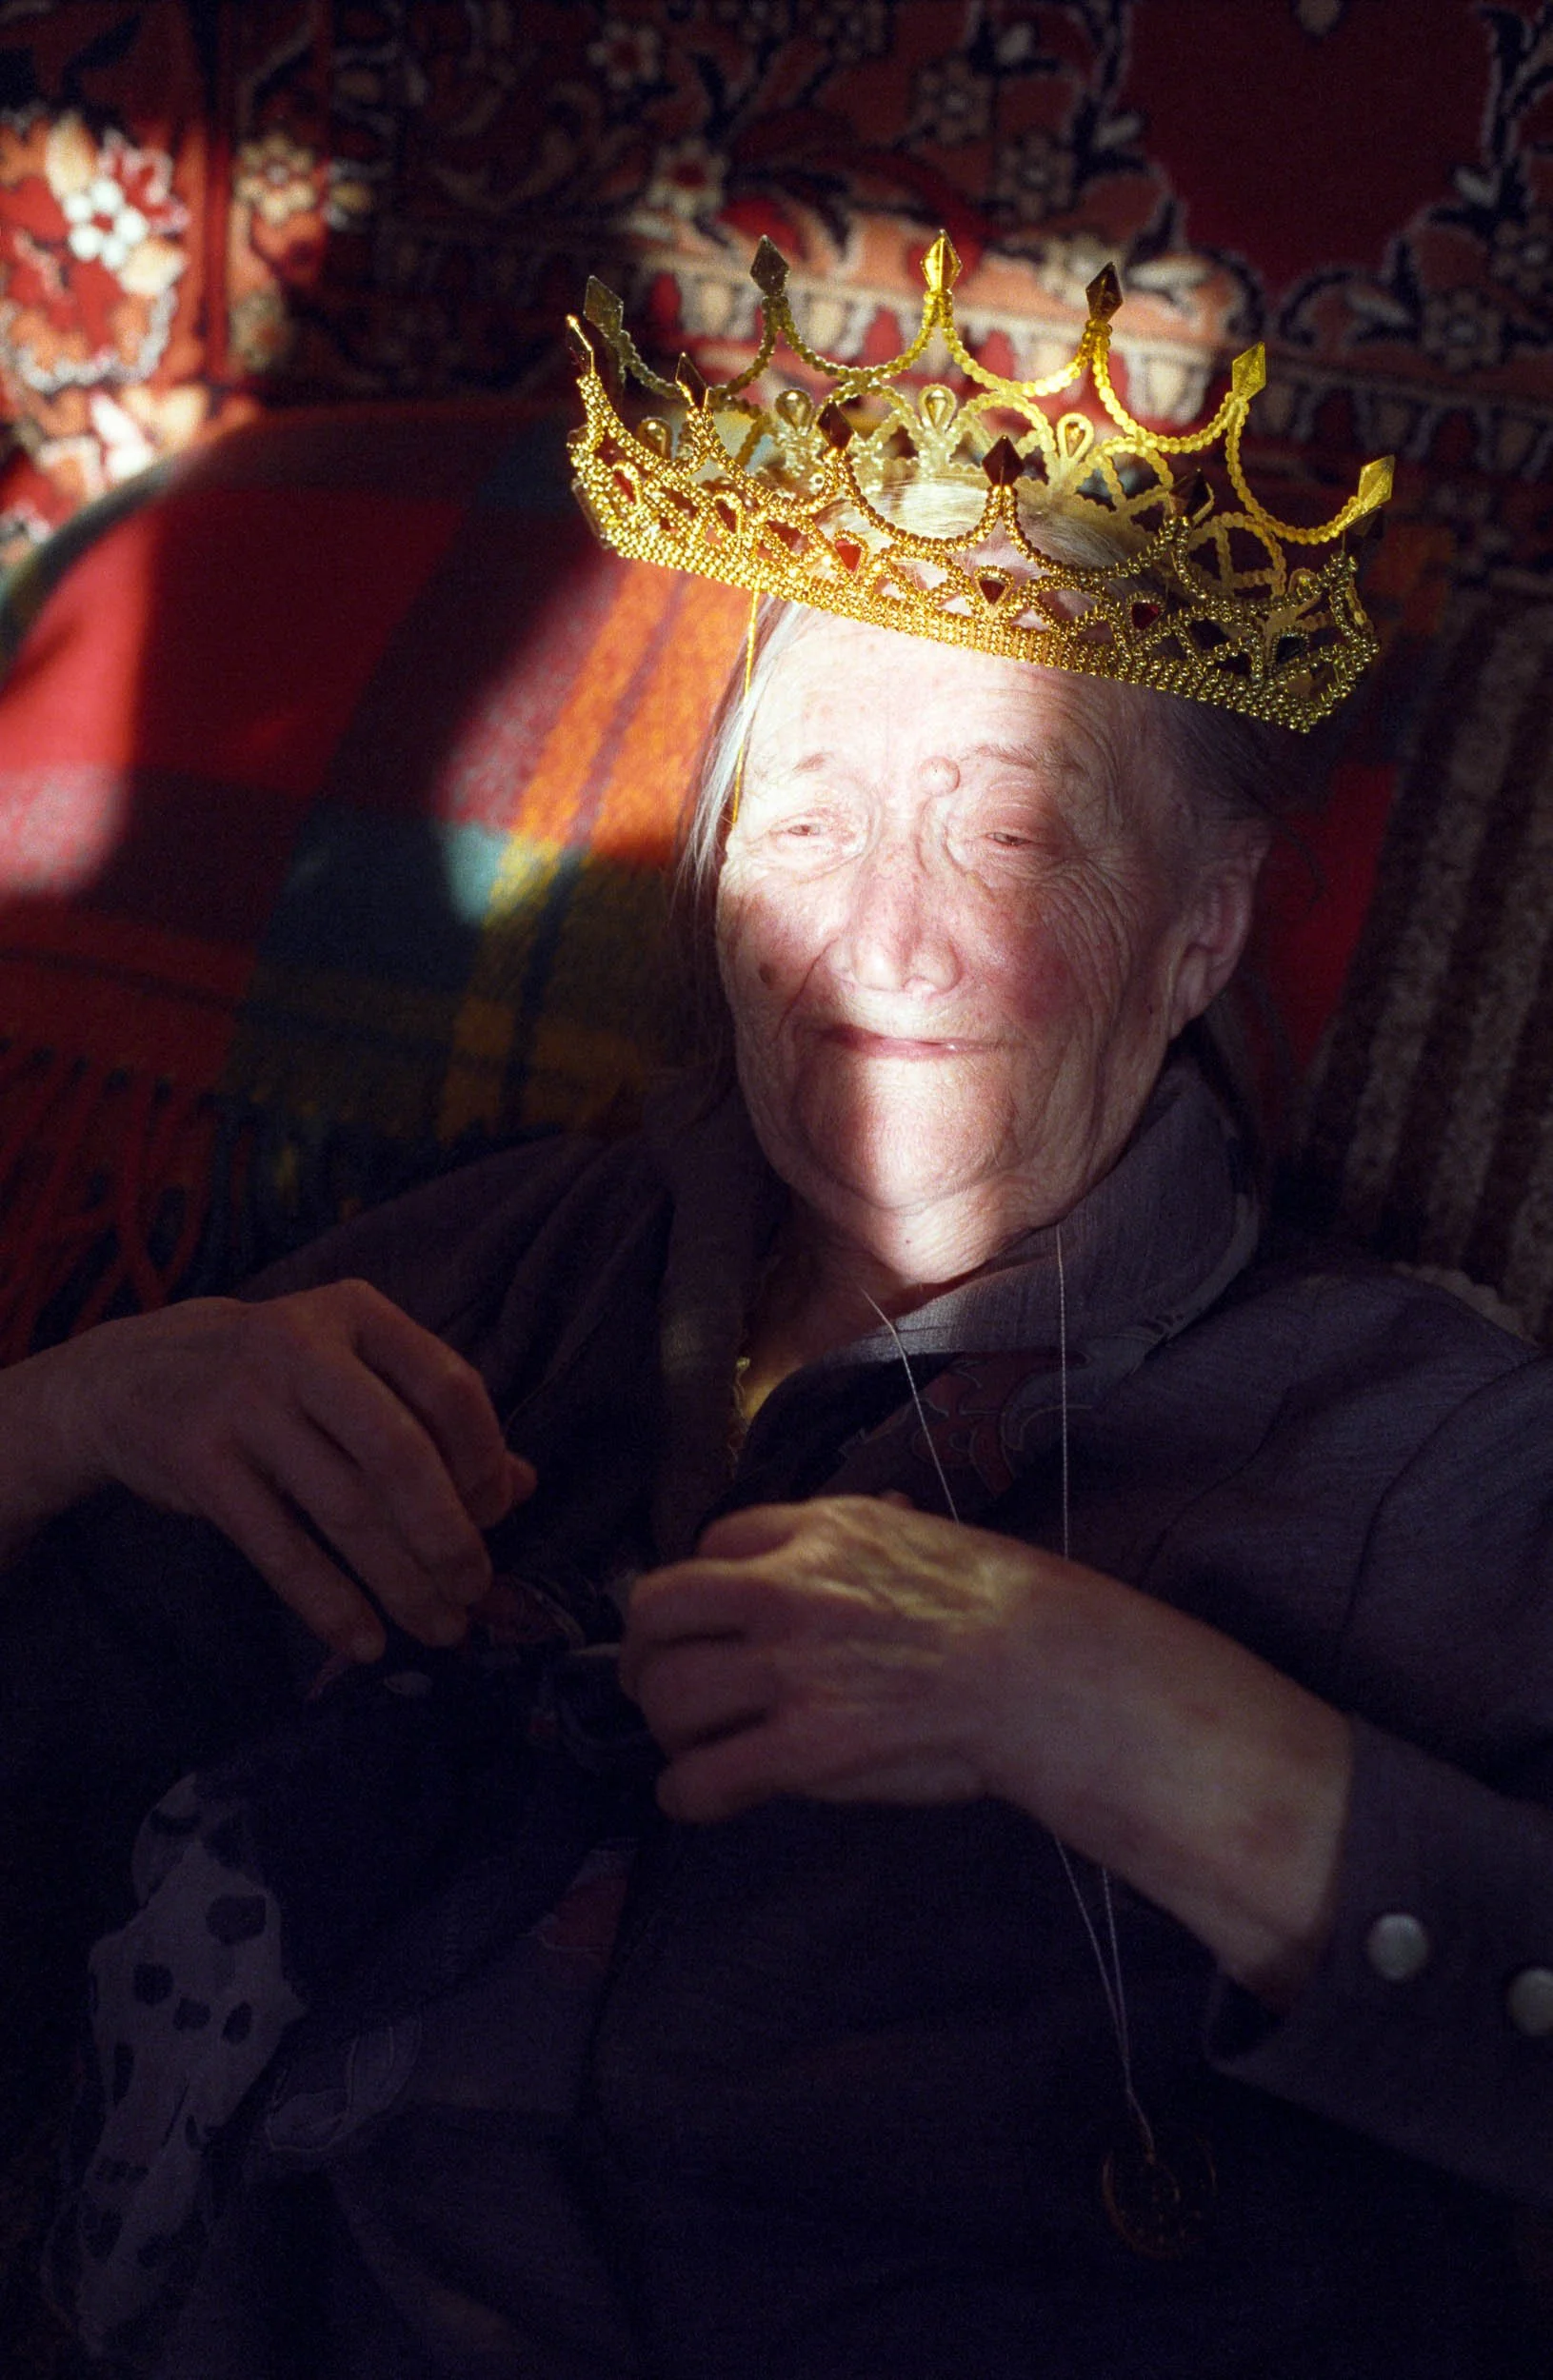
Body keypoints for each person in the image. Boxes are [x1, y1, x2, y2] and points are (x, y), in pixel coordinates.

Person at [3, 247, 1551, 2375]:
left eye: (1002, 839)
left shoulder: (1408, 1449)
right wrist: (75, 1412)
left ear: (1195, 934)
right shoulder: (506, 1265)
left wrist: (1128, 1723)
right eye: (802, 822)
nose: (874, 947)